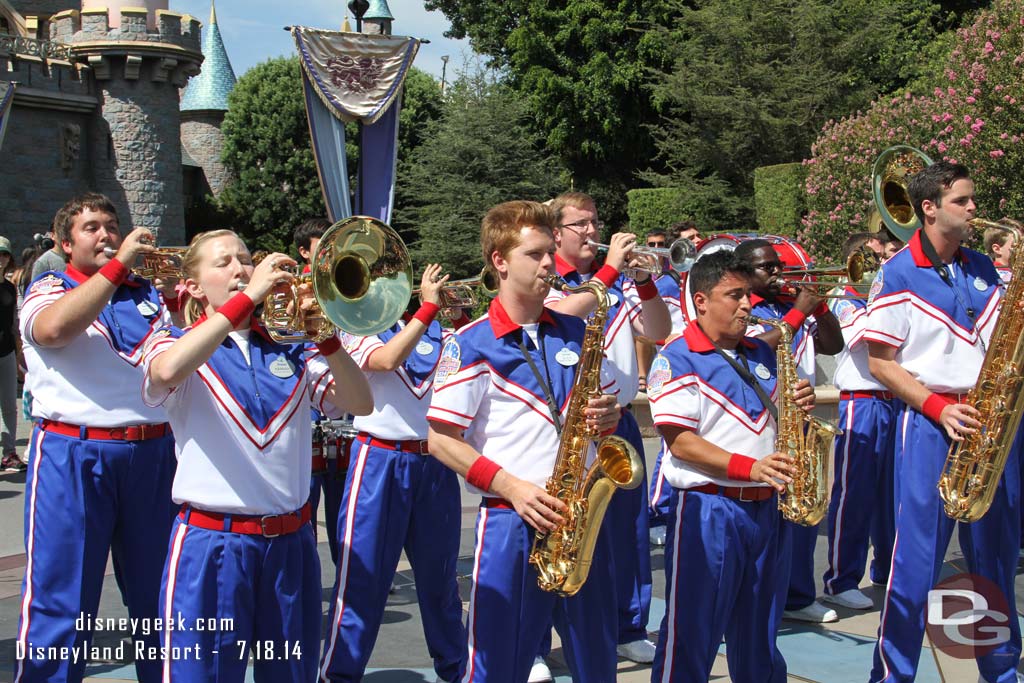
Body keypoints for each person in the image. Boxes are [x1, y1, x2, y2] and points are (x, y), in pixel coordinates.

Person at [141, 229, 373, 683]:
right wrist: (246, 299)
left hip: (290, 543)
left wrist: (326, 338)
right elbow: (167, 371)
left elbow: (359, 403)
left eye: (245, 259)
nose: (240, 268)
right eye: (223, 262)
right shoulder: (169, 339)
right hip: (213, 544)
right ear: (191, 285)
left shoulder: (293, 346)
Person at [427, 200, 623, 683]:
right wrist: (512, 487)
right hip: (512, 519)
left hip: (581, 516)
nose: (548, 265)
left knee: (599, 658)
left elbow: (604, 413)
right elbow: (440, 439)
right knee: (497, 664)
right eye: (534, 255)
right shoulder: (470, 343)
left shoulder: (577, 332)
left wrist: (609, 416)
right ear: (499, 261)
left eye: (549, 253)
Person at [864, 162, 1021, 683]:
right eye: (963, 201)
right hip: (933, 422)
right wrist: (937, 407)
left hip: (991, 421)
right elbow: (881, 362)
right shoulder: (899, 272)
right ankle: (893, 675)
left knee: (994, 556)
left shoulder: (982, 267)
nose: (974, 208)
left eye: (972, 199)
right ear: (928, 208)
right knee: (917, 561)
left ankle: (999, 672)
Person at [15, 193, 178, 683]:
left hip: (153, 452)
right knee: (63, 595)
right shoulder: (48, 285)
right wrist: (120, 266)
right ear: (66, 243)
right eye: (91, 228)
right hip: (73, 452)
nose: (106, 234)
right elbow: (54, 329)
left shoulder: (146, 291)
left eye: (111, 224)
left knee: (162, 595)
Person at [647, 248, 816, 682]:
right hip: (710, 508)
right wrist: (750, 467)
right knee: (693, 632)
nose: (746, 305)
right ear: (701, 301)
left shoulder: (761, 351)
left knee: (760, 633)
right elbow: (680, 442)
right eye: (734, 295)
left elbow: (778, 423)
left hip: (767, 507)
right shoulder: (677, 357)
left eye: (747, 296)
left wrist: (797, 406)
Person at [320, 263, 467, 683]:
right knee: (363, 577)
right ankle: (339, 674)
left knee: (441, 580)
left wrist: (453, 318)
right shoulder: (358, 327)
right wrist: (427, 312)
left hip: (436, 460)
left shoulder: (441, 331)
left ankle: (455, 668)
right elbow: (385, 361)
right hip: (380, 460)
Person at [545, 191, 672, 665]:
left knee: (627, 531)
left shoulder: (615, 283)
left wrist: (642, 283)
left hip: (616, 420)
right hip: (566, 429)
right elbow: (558, 317)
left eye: (595, 222)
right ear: (556, 232)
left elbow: (658, 331)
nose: (593, 232)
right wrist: (611, 272)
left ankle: (627, 625)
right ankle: (539, 644)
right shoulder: (548, 277)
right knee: (562, 533)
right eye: (581, 224)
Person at [733, 237, 844, 624]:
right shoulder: (743, 308)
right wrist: (798, 313)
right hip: (759, 419)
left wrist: (821, 307)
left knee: (803, 511)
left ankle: (798, 596)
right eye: (768, 267)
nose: (779, 273)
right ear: (745, 272)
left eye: (779, 265)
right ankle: (755, 601)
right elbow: (753, 348)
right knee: (765, 520)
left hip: (801, 417)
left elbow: (833, 344)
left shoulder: (788, 303)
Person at [820, 234, 896, 612]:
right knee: (854, 493)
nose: (879, 264)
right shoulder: (845, 297)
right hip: (862, 401)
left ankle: (885, 567)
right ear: (854, 260)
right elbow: (864, 338)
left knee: (891, 495)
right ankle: (841, 578)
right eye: (872, 258)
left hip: (895, 400)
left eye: (881, 257)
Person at [293, 217, 348, 565]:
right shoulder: (290, 291)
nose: (333, 255)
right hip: (308, 415)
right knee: (304, 511)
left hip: (345, 411)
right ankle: (307, 577)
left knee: (346, 515)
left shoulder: (345, 288)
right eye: (323, 247)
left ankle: (351, 577)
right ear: (303, 252)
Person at [0, 237, 22, 471]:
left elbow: (14, 323)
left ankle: (9, 453)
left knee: (8, 405)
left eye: (4, 255)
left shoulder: (9, 287)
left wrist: (18, 353)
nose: (0, 259)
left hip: (6, 351)